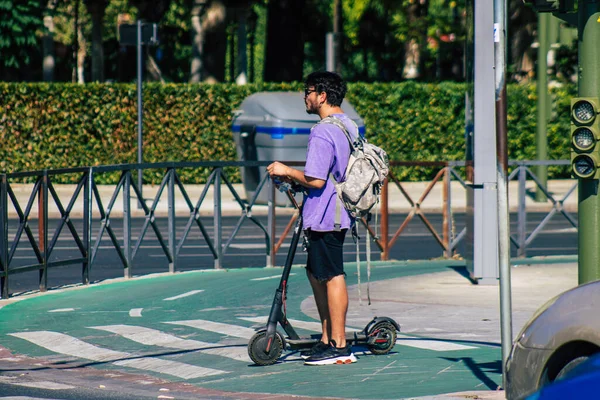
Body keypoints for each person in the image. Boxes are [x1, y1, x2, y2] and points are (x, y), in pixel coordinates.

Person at [266, 71, 357, 366]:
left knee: (331, 274)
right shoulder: (347, 125)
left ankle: (340, 346)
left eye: (308, 91)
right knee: (317, 272)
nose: (304, 97)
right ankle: (327, 338)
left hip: (326, 213)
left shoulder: (322, 130)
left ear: (322, 95)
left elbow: (316, 180)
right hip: (336, 211)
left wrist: (285, 170)